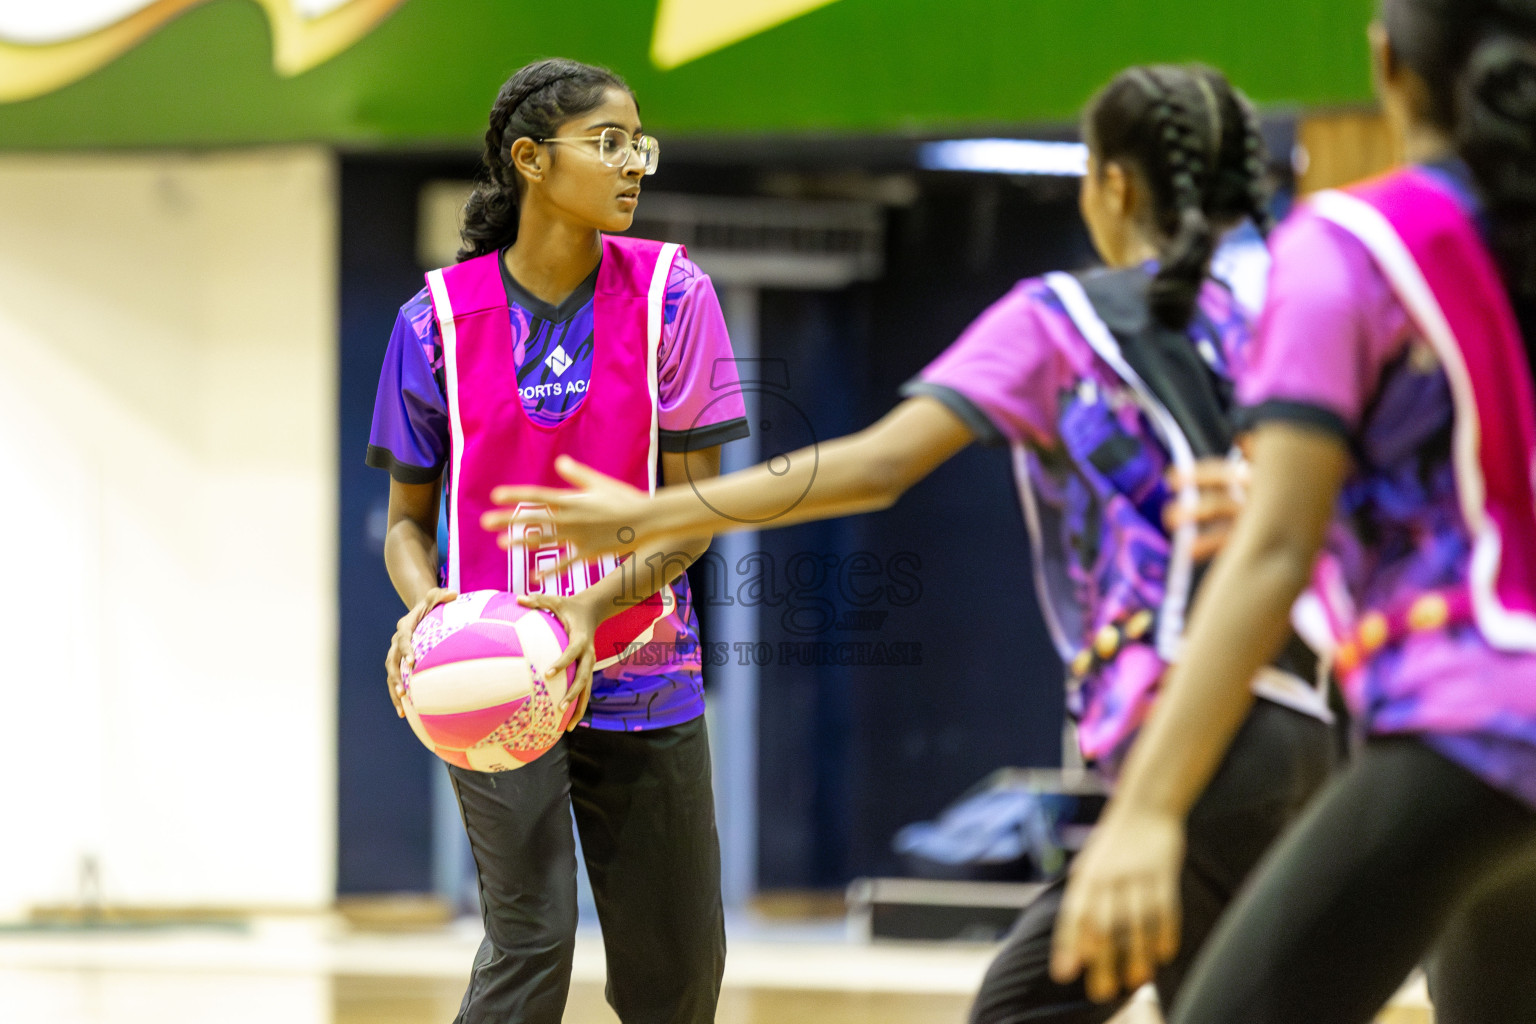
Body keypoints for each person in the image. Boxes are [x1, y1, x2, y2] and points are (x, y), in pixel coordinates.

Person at [484, 65, 1335, 1023]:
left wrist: (656, 513)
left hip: (1207, 730)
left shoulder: (1061, 317)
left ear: (1113, 185)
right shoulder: (1271, 315)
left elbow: (877, 466)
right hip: (1316, 727)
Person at [1047, 3, 1536, 1022]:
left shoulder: (1348, 241)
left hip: (1463, 723)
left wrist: (1145, 808)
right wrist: (1336, 504)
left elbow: (1272, 550)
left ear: (1386, 62)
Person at [365, 58, 749, 1024]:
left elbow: (696, 512)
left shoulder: (674, 295)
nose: (634, 165)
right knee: (530, 937)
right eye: (608, 143)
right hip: (494, 676)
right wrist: (428, 611)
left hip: (643, 668)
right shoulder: (434, 323)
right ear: (531, 160)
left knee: (678, 975)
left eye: (638, 145)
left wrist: (587, 609)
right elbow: (408, 526)